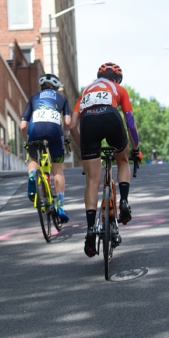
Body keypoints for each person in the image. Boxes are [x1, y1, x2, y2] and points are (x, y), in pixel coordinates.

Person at [69, 62, 142, 258]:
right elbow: (130, 123)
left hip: (89, 123)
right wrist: (136, 149)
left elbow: (72, 125)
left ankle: (91, 229)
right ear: (116, 79)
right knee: (123, 161)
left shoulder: (86, 91)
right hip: (111, 118)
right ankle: (124, 201)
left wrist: (84, 149)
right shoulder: (119, 89)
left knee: (93, 180)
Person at [20, 74, 72, 223]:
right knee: (58, 169)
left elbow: (22, 125)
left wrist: (27, 142)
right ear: (56, 87)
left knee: (34, 158)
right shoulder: (62, 98)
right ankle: (60, 206)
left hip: (34, 130)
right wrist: (66, 137)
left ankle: (31, 175)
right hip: (54, 131)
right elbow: (67, 122)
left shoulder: (33, 98)